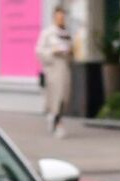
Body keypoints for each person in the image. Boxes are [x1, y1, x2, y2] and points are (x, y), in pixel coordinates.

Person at [38, 5, 75, 136]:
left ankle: (55, 118)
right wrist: (53, 52)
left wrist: (70, 52)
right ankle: (57, 122)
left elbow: (72, 52)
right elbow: (39, 51)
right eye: (59, 17)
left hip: (65, 67)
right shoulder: (47, 33)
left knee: (64, 97)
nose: (61, 19)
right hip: (53, 68)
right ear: (54, 17)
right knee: (55, 96)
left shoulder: (67, 34)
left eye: (63, 17)